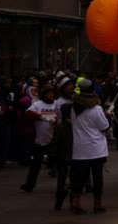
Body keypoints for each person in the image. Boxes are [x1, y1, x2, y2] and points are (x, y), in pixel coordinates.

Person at [69, 77, 109, 214]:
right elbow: (104, 126)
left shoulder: (73, 108)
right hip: (96, 149)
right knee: (97, 178)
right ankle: (97, 204)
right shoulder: (96, 109)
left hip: (79, 150)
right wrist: (107, 115)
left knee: (79, 178)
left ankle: (76, 203)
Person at [21, 85, 59, 193]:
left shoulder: (56, 104)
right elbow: (28, 113)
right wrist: (45, 117)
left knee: (59, 163)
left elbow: (58, 118)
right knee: (35, 164)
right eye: (49, 93)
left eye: (52, 93)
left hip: (53, 139)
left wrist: (52, 118)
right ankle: (29, 185)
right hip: (39, 139)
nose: (51, 95)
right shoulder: (38, 104)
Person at [52, 77, 74, 211]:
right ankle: (60, 195)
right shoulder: (58, 103)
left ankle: (71, 198)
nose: (71, 87)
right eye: (68, 85)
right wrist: (53, 154)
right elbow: (56, 140)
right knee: (62, 176)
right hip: (64, 153)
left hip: (73, 151)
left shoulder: (75, 100)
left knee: (74, 176)